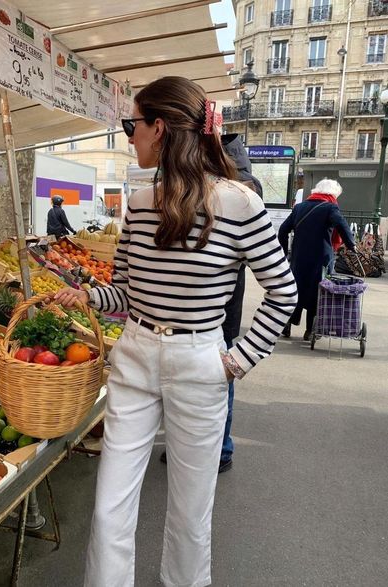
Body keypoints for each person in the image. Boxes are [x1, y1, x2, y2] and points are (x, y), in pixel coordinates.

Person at [55, 76, 298, 587]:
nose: (129, 136)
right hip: (136, 354)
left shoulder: (239, 204)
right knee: (108, 509)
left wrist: (236, 360)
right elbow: (125, 294)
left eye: (133, 125)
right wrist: (87, 296)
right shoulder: (139, 204)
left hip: (199, 360)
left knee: (190, 514)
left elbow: (285, 293)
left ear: (159, 128)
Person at [160, 133, 262, 472]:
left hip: (217, 311)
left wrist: (241, 361)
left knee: (221, 376)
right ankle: (193, 446)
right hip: (207, 309)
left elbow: (282, 289)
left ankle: (221, 449)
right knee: (198, 385)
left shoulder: (241, 193)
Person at [278, 178, 355, 341]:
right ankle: (310, 330)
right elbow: (341, 225)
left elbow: (283, 230)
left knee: (296, 289)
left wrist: (285, 251)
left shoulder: (299, 207)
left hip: (299, 258)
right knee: (318, 293)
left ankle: (287, 325)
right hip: (321, 259)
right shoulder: (330, 207)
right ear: (333, 194)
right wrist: (351, 244)